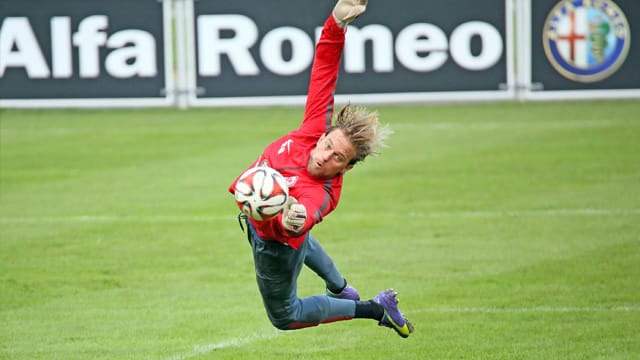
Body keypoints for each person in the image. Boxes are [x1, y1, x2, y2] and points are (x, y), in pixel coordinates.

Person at [229, 0, 413, 338]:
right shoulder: (313, 132)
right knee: (304, 241)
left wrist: (288, 220)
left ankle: (374, 308)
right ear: (324, 136)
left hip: (276, 246)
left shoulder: (322, 193)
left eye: (338, 158)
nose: (325, 156)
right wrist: (336, 24)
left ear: (346, 168)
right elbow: (324, 72)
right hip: (261, 221)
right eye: (328, 145)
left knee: (285, 316)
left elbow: (301, 220)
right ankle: (341, 287)